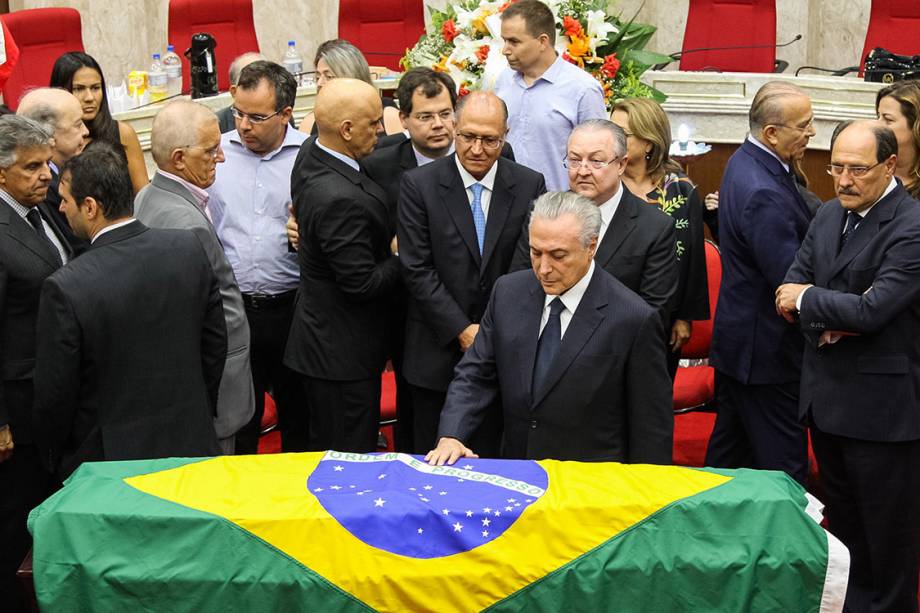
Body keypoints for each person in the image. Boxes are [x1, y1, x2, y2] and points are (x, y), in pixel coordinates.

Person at [777, 119, 920, 613]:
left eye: (857, 169)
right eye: (835, 166)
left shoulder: (912, 225)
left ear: (889, 165)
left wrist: (815, 302)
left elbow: (873, 309)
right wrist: (825, 312)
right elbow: (788, 290)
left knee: (887, 541)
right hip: (827, 401)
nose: (842, 180)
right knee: (846, 534)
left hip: (883, 414)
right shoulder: (827, 216)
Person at [427, 191, 672, 465]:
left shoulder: (633, 318)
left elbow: (651, 428)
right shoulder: (507, 293)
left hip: (590, 485)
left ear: (591, 247)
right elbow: (476, 373)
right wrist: (452, 434)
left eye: (558, 255)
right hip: (518, 473)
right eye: (535, 252)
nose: (544, 268)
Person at [33, 144, 227, 479]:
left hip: (109, 464)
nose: (61, 208)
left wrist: (55, 458)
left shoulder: (66, 287)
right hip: (191, 442)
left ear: (90, 207)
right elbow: (215, 346)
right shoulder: (186, 249)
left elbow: (57, 394)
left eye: (65, 199)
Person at [399, 91, 546, 455]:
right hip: (435, 351)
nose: (477, 149)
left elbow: (526, 264)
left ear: (505, 135)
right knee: (432, 463)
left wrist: (491, 330)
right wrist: (462, 330)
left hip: (505, 351)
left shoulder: (529, 184)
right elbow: (417, 269)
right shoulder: (420, 185)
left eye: (489, 139)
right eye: (468, 137)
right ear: (453, 128)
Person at [706, 81, 816, 486]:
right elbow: (789, 279)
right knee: (783, 468)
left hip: (741, 346)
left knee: (728, 462)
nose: (811, 133)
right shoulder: (764, 190)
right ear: (772, 132)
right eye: (804, 126)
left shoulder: (745, 160)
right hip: (766, 355)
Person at [283, 78, 401, 453]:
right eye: (373, 123)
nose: (381, 132)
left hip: (322, 340)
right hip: (340, 358)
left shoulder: (312, 152)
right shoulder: (339, 200)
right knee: (347, 454)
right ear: (347, 130)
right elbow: (362, 283)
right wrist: (399, 255)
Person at [134, 100, 254, 454]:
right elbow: (209, 315)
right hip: (212, 391)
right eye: (210, 150)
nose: (221, 158)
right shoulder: (185, 224)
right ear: (179, 158)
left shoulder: (147, 196)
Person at [206, 61, 308, 454]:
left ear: (285, 114)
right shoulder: (218, 154)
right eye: (238, 113)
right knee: (240, 423)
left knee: (299, 419)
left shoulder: (308, 157)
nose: (244, 125)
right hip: (234, 312)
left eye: (256, 117)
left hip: (292, 311)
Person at [0, 115, 70, 613]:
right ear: (0, 173)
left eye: (47, 162)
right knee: (15, 518)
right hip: (18, 406)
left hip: (53, 391)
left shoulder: (45, 207)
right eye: (31, 167)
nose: (46, 174)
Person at [514, 120, 678, 327]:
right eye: (574, 160)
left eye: (596, 161)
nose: (582, 171)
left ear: (621, 164)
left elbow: (653, 314)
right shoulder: (543, 214)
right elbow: (519, 286)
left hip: (615, 349)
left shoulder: (654, 228)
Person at [610, 98, 709, 375]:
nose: (613, 139)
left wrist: (684, 317)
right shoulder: (606, 183)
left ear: (648, 143)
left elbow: (692, 257)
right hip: (609, 313)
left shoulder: (679, 188)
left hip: (662, 317)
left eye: (623, 134)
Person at [494, 0, 606, 191]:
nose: (505, 50)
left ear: (542, 42)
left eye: (514, 41)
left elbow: (599, 157)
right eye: (504, 41)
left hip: (557, 208)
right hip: (504, 205)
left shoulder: (582, 89)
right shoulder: (504, 80)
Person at [49, 52, 148, 193]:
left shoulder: (123, 133)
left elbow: (142, 195)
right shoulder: (53, 140)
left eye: (95, 88)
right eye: (79, 89)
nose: (89, 97)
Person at [17, 87, 90, 255]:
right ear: (48, 133)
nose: (86, 132)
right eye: (78, 125)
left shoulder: (68, 172)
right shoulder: (41, 186)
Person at [297, 39, 401, 136]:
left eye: (329, 77)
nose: (320, 83)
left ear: (352, 77)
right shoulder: (309, 123)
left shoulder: (389, 116)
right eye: (317, 77)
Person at [875, 79, 920, 199]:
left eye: (888, 119)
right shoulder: (870, 173)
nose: (877, 125)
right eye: (878, 117)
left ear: (916, 126)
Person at [216, 52, 266, 134]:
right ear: (234, 91)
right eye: (250, 83)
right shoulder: (218, 123)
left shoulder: (279, 116)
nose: (259, 88)